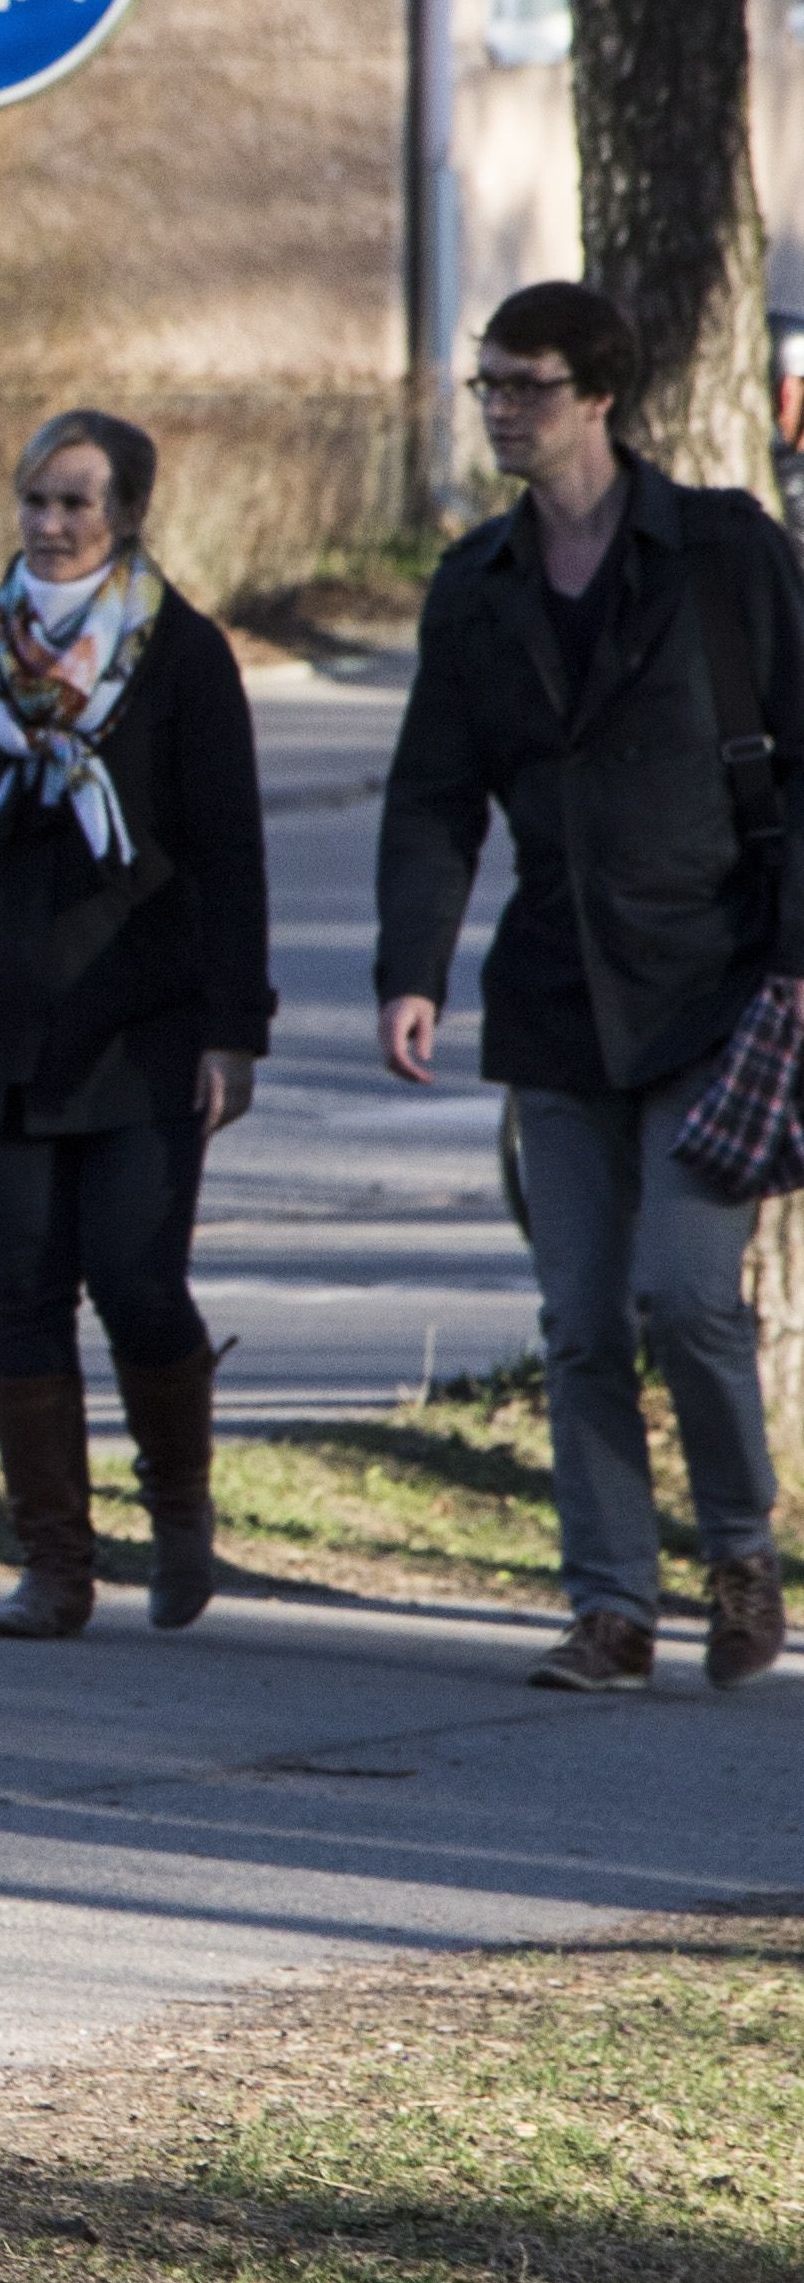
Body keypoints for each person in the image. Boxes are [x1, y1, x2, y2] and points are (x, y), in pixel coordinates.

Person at [376, 281, 803, 1694]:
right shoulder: (475, 584)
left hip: (713, 984)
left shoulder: (720, 550)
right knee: (576, 1319)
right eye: (486, 384)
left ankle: (737, 1551)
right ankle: (610, 1605)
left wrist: (794, 959)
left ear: (599, 396)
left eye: (528, 384)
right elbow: (432, 796)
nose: (500, 407)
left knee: (684, 1292)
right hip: (555, 994)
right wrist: (411, 970)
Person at [0, 411, 271, 1640]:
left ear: (125, 515)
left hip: (141, 1029)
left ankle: (177, 1507)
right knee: (22, 1292)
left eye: (75, 503)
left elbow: (230, 853)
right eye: (34, 500)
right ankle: (52, 1562)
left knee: (135, 1278)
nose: (49, 524)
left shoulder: (179, 652)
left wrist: (232, 1031)